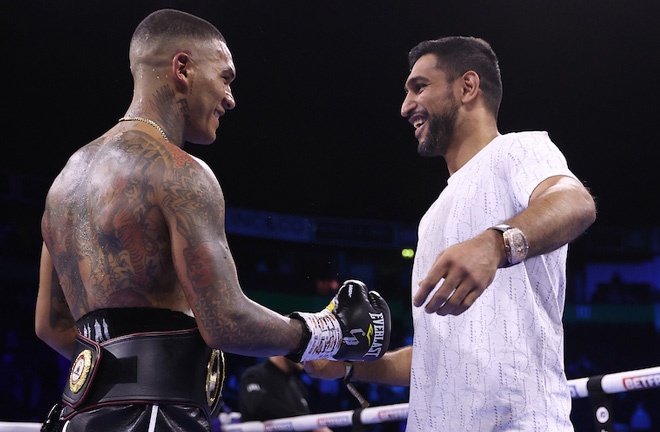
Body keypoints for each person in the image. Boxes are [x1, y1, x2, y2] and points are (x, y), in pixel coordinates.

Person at [35, 9, 391, 432]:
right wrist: (327, 331)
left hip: (78, 416)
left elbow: (51, 326)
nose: (230, 97)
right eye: (226, 77)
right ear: (182, 68)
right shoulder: (181, 173)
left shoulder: (64, 184)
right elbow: (225, 321)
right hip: (154, 418)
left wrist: (118, 374)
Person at [305, 36, 597, 431]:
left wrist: (496, 243)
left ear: (467, 87)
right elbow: (433, 354)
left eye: (419, 87)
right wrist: (349, 366)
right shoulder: (431, 217)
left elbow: (575, 202)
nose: (405, 106)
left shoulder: (517, 150)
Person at [238, 356, 332, 432]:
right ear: (284, 349)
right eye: (300, 350)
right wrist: (309, 424)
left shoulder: (297, 384)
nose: (305, 356)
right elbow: (258, 406)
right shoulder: (254, 375)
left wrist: (311, 424)